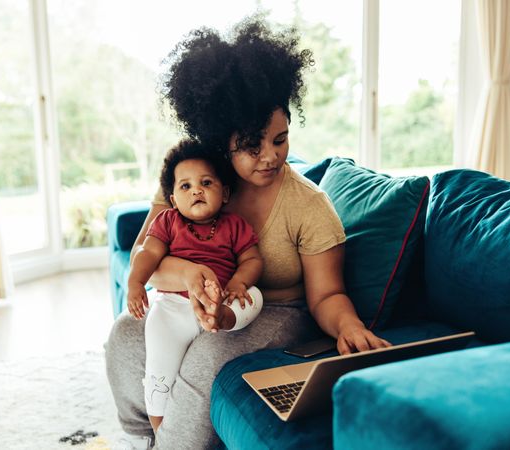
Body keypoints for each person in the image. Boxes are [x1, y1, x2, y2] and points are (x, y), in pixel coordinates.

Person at [106, 15, 391, 449]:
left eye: (280, 139)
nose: (270, 157)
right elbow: (149, 260)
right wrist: (186, 275)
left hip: (274, 311)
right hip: (186, 302)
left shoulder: (309, 207)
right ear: (222, 141)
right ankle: (144, 438)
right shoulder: (189, 183)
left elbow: (326, 296)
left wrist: (348, 325)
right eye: (252, 146)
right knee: (125, 337)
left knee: (207, 357)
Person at [127, 139, 264, 435]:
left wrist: (240, 282)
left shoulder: (234, 225)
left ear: (225, 193)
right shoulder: (167, 221)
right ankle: (162, 434)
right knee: (159, 372)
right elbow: (147, 253)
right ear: (174, 199)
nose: (197, 190)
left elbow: (252, 259)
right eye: (185, 186)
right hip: (175, 307)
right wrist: (135, 283)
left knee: (255, 296)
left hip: (223, 298)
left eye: (206, 182)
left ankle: (222, 319)